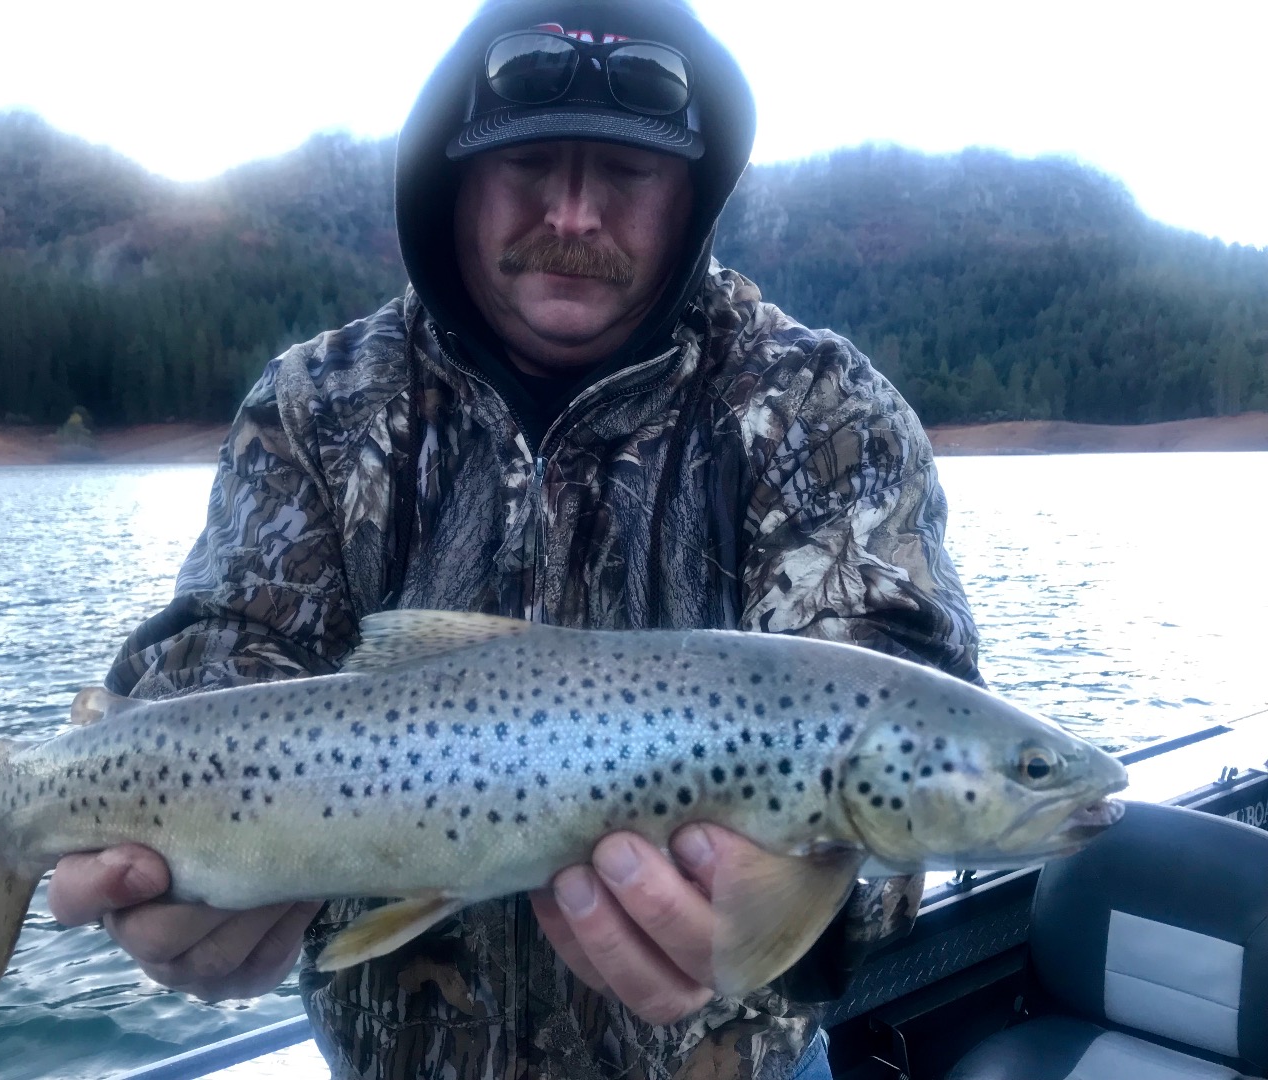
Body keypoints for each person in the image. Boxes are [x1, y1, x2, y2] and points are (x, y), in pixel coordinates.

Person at [48, 1, 983, 1076]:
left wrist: (816, 914)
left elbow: (892, 689)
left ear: (694, 192)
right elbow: (222, 650)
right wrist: (167, 866)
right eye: (532, 162)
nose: (575, 214)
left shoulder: (820, 406)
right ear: (453, 177)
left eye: (626, 174)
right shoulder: (317, 403)